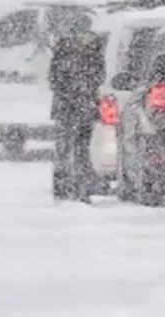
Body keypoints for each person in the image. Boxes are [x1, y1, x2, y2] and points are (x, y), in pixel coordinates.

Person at [48, 12, 107, 203]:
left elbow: (53, 78)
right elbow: (100, 76)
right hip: (86, 105)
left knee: (64, 147)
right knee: (82, 147)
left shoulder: (62, 48)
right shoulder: (94, 48)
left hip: (66, 106)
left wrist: (65, 91)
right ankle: (82, 186)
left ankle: (62, 185)